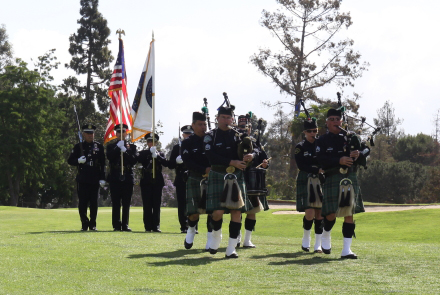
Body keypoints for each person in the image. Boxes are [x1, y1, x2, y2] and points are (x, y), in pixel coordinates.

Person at [315, 109, 368, 259]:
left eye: (337, 119)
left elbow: (366, 149)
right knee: (331, 214)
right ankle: (326, 234)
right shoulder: (322, 140)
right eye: (331, 119)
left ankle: (346, 250)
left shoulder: (349, 137)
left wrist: (358, 154)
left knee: (348, 213)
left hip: (349, 177)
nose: (335, 122)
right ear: (326, 122)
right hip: (332, 177)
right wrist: (339, 160)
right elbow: (321, 159)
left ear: (342, 122)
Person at [204, 106, 251, 258]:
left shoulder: (240, 135)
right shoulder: (210, 136)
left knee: (236, 211)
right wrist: (231, 161)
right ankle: (216, 237)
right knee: (217, 213)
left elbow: (255, 149)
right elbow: (210, 156)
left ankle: (231, 248)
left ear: (232, 119)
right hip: (218, 173)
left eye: (228, 118)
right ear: (217, 118)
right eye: (222, 117)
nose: (226, 120)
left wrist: (251, 155)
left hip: (236, 175)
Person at [237, 114, 269, 249]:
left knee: (252, 210)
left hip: (252, 179)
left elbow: (264, 159)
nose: (244, 129)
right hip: (238, 176)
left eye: (246, 126)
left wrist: (265, 164)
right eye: (241, 126)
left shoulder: (256, 143)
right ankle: (236, 238)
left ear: (250, 127)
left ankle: (247, 240)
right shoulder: (234, 140)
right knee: (236, 210)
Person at [181, 112, 212, 250]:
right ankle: (191, 231)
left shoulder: (211, 139)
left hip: (211, 178)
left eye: (204, 124)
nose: (203, 127)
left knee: (213, 211)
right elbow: (187, 162)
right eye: (200, 124)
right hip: (194, 177)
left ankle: (210, 240)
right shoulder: (187, 142)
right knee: (193, 213)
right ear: (193, 125)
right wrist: (204, 169)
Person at [68, 124, 106, 231]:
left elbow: (103, 164)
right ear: (83, 134)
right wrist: (78, 161)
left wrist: (102, 177)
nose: (90, 135)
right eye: (88, 133)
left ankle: (93, 224)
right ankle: (84, 223)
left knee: (94, 203)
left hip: (94, 177)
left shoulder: (99, 147)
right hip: (83, 177)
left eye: (92, 133)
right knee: (83, 202)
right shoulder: (78, 146)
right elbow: (70, 160)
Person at [294, 117, 324, 253]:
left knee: (320, 213)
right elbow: (301, 165)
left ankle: (318, 244)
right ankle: (306, 239)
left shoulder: (321, 144)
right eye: (310, 131)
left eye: (315, 130)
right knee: (310, 212)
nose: (313, 133)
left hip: (321, 179)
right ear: (305, 132)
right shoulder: (300, 147)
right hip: (307, 178)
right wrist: (316, 169)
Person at [106, 124, 137, 232]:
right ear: (116, 133)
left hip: (127, 175)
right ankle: (116, 225)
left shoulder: (132, 147)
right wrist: (117, 147)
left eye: (123, 131)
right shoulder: (111, 146)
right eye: (118, 131)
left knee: (126, 202)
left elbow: (133, 161)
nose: (121, 133)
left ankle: (125, 225)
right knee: (115, 202)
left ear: (126, 133)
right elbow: (109, 156)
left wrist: (126, 151)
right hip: (115, 175)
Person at [137, 133, 170, 232]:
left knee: (156, 204)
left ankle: (156, 225)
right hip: (146, 179)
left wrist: (157, 156)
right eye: (149, 141)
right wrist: (149, 153)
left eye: (153, 141)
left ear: (156, 142)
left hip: (157, 180)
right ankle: (147, 226)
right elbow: (138, 159)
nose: (151, 143)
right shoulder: (143, 153)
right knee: (147, 204)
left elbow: (166, 163)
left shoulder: (161, 153)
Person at [168, 125, 193, 233]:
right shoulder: (176, 148)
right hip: (181, 177)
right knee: (182, 203)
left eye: (190, 134)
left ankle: (193, 226)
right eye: (186, 134)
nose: (188, 136)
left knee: (193, 202)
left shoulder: (196, 145)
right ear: (183, 135)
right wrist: (176, 161)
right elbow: (170, 164)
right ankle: (184, 226)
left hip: (193, 177)